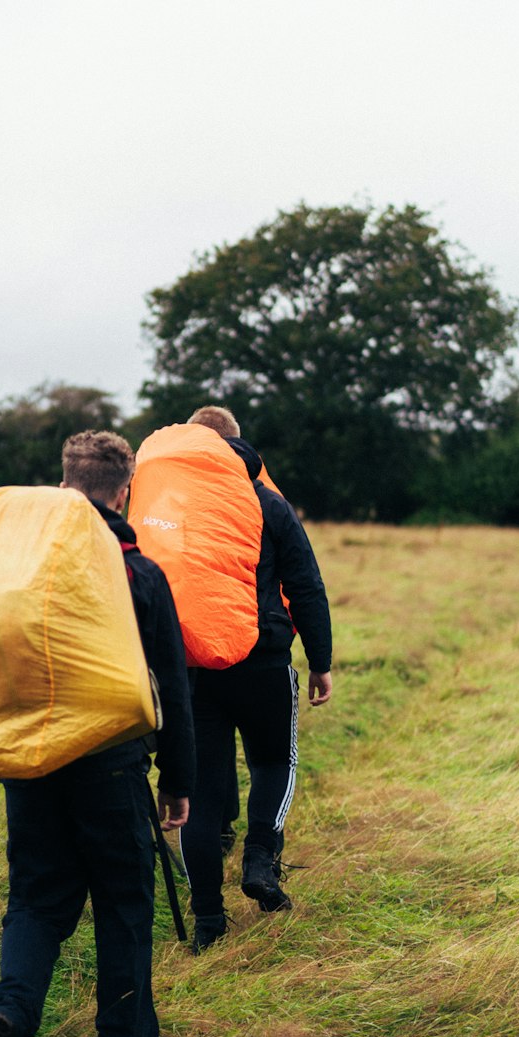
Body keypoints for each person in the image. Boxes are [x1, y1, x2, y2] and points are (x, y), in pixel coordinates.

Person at [0, 430, 195, 1037]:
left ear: (63, 484)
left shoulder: (16, 566)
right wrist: (178, 780)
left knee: (35, 901)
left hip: (29, 761)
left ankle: (9, 1013)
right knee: (123, 907)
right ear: (124, 492)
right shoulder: (139, 574)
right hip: (111, 767)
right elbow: (173, 688)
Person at [179, 407, 333, 952]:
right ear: (239, 446)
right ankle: (261, 861)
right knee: (274, 762)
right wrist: (320, 660)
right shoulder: (267, 502)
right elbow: (305, 583)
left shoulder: (174, 513)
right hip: (263, 659)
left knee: (199, 792)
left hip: (195, 668)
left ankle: (207, 923)